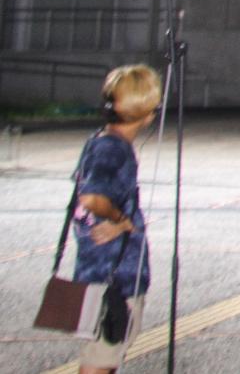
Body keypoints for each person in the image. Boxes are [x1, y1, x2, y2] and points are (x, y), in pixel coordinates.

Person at [66, 63, 159, 374]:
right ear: (147, 113)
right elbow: (92, 197)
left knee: (106, 356)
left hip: (98, 271)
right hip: (112, 278)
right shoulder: (113, 150)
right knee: (100, 360)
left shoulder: (101, 140)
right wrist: (121, 220)